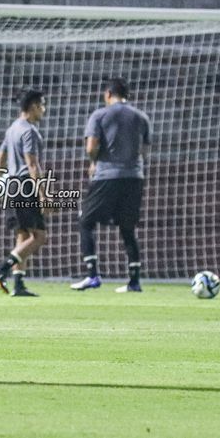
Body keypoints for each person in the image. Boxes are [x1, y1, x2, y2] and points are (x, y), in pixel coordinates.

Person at [70, 77, 151, 293]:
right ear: (128, 95)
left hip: (107, 176)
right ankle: (134, 281)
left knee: (85, 220)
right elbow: (144, 151)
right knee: (127, 228)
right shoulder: (141, 117)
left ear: (107, 94)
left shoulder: (100, 115)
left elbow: (91, 147)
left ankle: (92, 275)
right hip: (134, 177)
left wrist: (94, 162)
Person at [0, 89, 50, 297]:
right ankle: (3, 268)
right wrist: (43, 194)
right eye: (42, 105)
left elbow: (0, 159)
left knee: (23, 235)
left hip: (11, 185)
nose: (44, 109)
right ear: (33, 106)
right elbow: (32, 164)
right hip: (25, 185)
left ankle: (18, 284)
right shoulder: (29, 131)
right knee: (39, 236)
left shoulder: (12, 128)